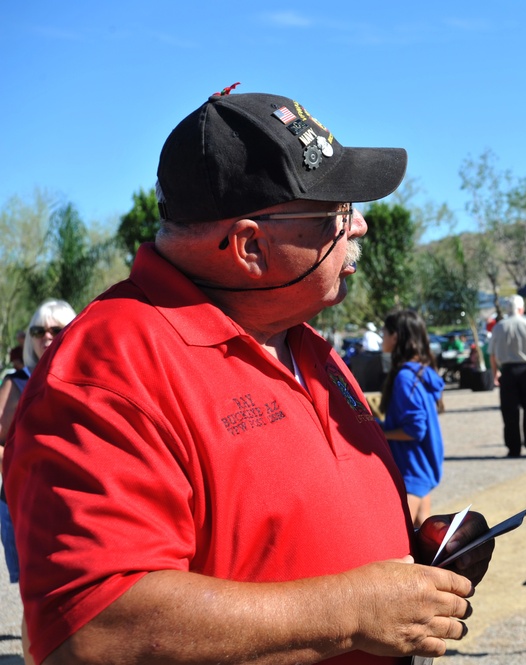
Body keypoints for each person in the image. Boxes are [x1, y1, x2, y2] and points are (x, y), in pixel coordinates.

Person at [3, 88, 494, 665]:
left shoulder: (301, 338)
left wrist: (409, 536)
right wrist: (352, 613)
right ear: (249, 246)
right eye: (334, 211)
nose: (358, 226)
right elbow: (94, 630)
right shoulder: (108, 370)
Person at [0, 299, 77, 664]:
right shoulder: (16, 385)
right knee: (36, 592)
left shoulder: (91, 375)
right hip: (27, 503)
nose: (46, 337)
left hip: (76, 499)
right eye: (38, 331)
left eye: (56, 329)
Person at [378, 309, 446, 528]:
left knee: (400, 538)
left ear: (395, 337)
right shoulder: (420, 372)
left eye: (384, 333)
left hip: (411, 471)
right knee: (425, 536)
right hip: (421, 469)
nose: (382, 338)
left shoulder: (406, 378)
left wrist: (381, 434)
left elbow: (415, 429)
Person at [489, 295, 526, 457]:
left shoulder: (499, 327)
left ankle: (513, 447)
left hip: (507, 372)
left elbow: (492, 354)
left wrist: (495, 373)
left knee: (510, 410)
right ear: (521, 309)